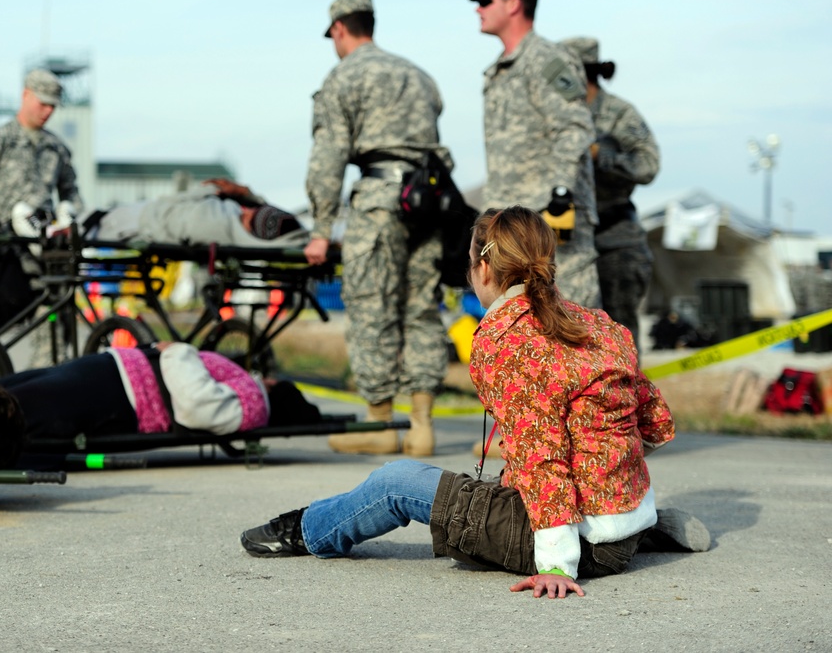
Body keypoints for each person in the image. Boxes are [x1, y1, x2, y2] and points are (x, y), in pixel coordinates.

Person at [240, 206, 710, 599]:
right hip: (620, 526)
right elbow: (656, 425)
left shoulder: (507, 339)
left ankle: (305, 530)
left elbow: (541, 453)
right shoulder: (600, 324)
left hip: (579, 545)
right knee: (522, 476)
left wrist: (558, 566)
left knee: (397, 482)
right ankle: (645, 526)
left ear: (483, 268)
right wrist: (606, 481)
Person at [302, 0, 453, 457]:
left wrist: (322, 228)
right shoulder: (419, 76)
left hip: (379, 200)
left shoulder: (343, 77)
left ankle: (381, 422)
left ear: (339, 30)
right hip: (427, 201)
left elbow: (328, 157)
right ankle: (423, 427)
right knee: (422, 308)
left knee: (371, 306)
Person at [470, 0, 600, 308]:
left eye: (485, 0)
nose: (477, 8)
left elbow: (574, 126)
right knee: (518, 323)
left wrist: (560, 193)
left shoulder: (547, 60)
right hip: (513, 226)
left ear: (513, 2)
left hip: (552, 220)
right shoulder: (499, 70)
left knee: (573, 316)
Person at [0, 68, 84, 366]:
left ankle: (44, 382)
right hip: (5, 250)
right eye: (42, 103)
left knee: (51, 321)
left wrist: (71, 216)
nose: (48, 111)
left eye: (53, 106)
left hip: (44, 250)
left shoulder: (56, 148)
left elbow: (71, 192)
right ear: (25, 95)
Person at [0, 342, 321, 441]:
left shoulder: (252, 405)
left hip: (123, 392)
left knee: (17, 402)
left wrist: (178, 351)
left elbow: (196, 403)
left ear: (275, 389)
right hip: (118, 375)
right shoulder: (248, 396)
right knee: (23, 387)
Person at [560, 37, 660, 342]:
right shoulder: (558, 116)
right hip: (567, 240)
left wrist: (600, 155)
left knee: (620, 337)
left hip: (614, 239)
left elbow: (648, 164)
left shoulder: (618, 113)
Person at [80, 178, 307, 248]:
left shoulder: (215, 223)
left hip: (146, 219)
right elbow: (272, 218)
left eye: (249, 214)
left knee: (94, 223)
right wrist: (244, 192)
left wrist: (208, 192)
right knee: (95, 219)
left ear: (251, 227)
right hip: (151, 216)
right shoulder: (247, 228)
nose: (245, 209)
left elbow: (171, 211)